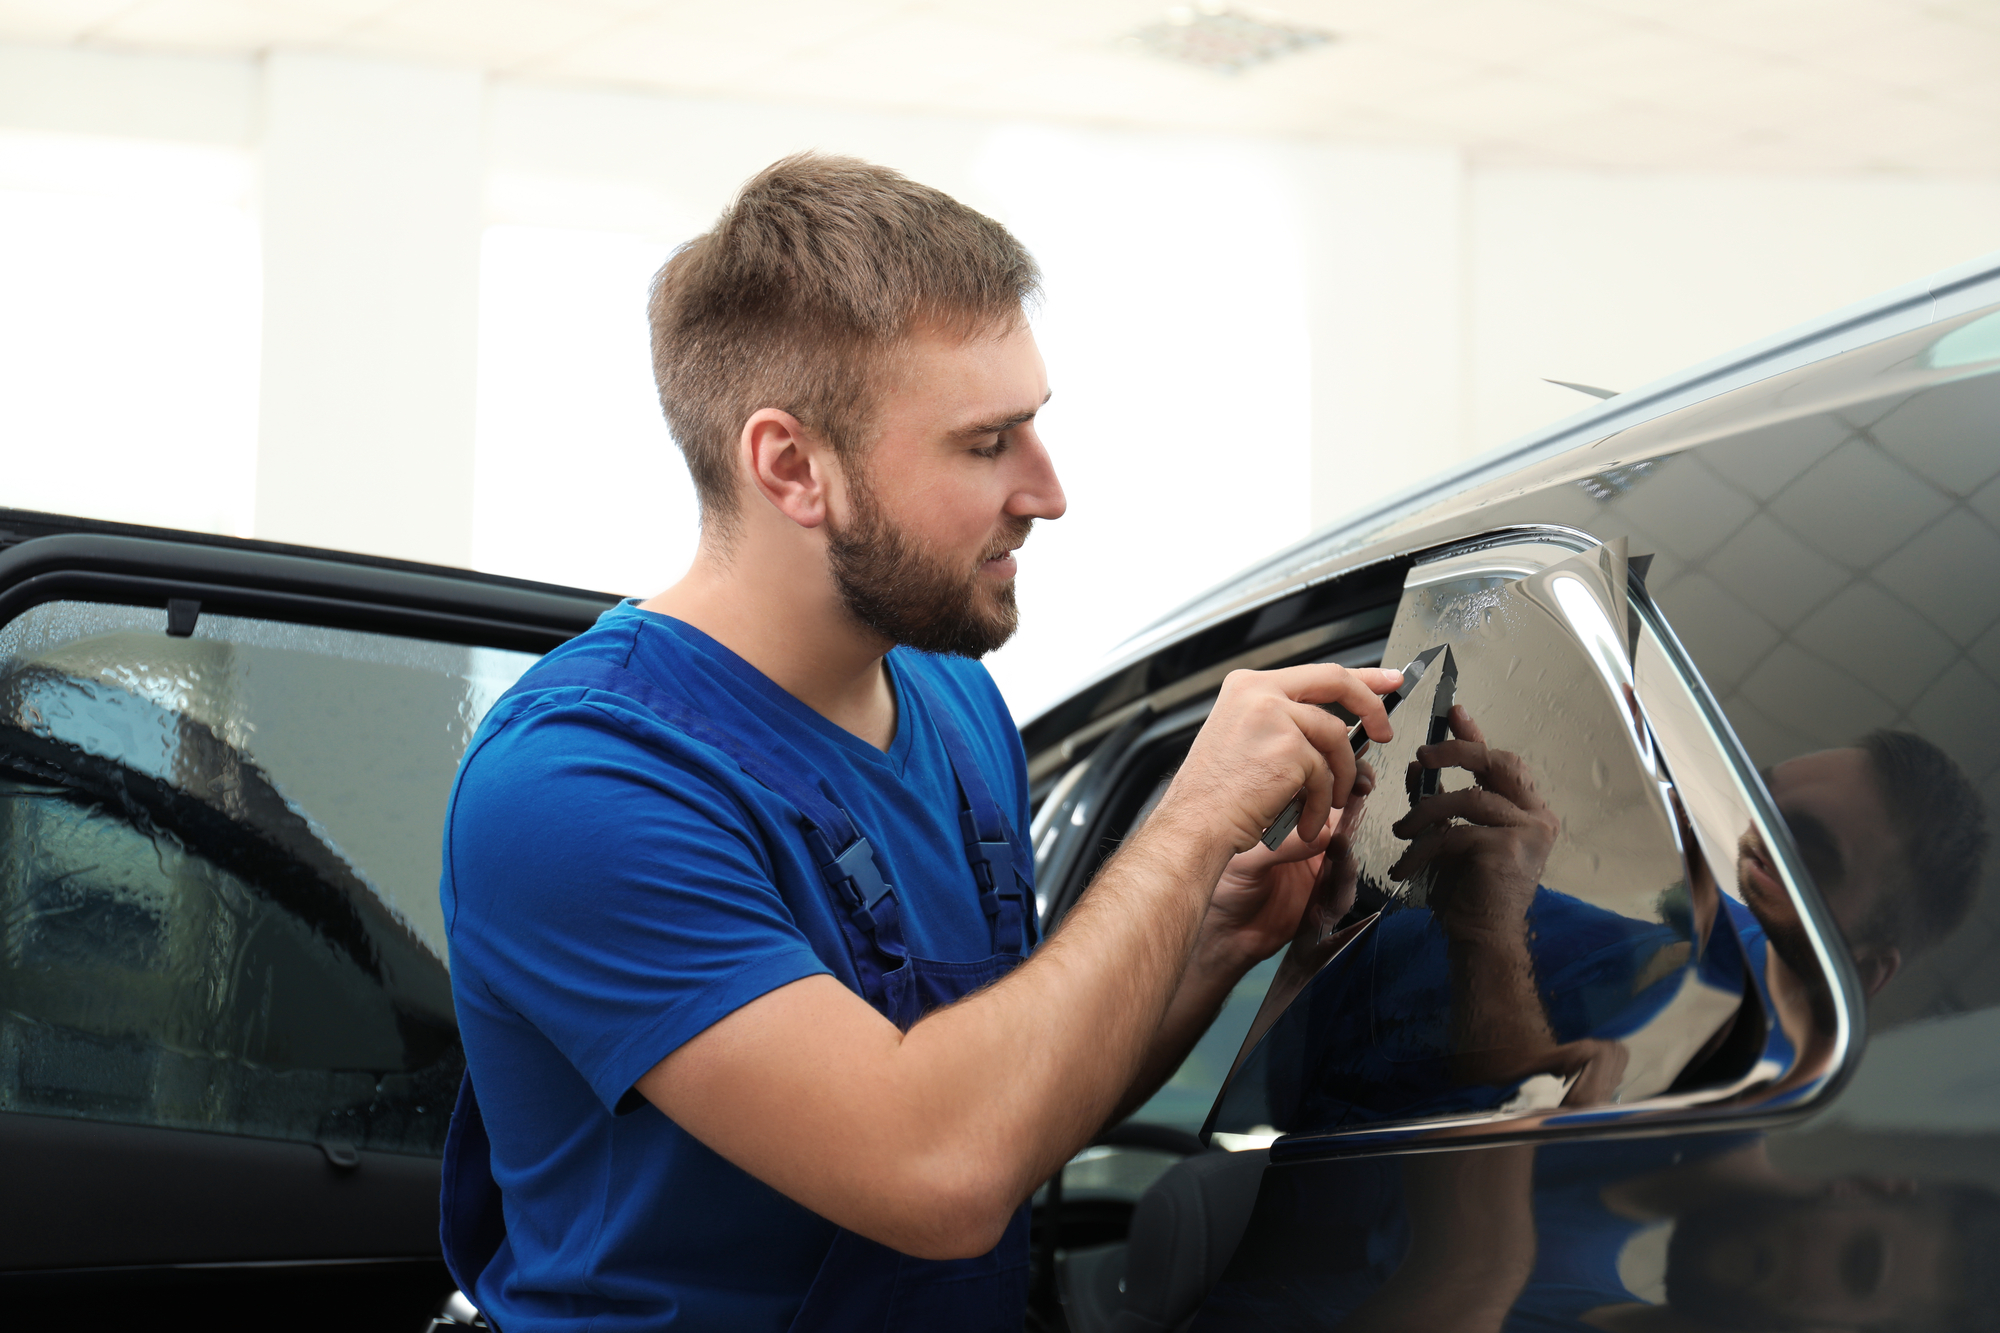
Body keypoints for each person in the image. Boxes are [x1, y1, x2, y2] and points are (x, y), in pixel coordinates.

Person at [436, 153, 1402, 1333]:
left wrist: (1204, 939)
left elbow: (1016, 1101)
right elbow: (935, 1169)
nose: (1047, 493)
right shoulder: (581, 784)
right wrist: (1187, 822)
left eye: (1033, 426)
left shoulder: (952, 702)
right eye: (985, 443)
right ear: (792, 466)